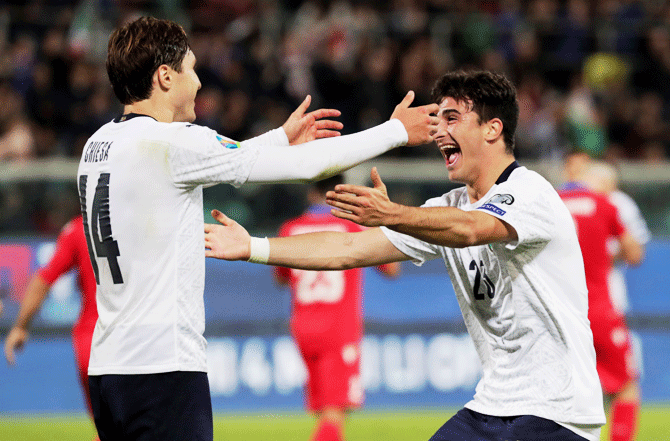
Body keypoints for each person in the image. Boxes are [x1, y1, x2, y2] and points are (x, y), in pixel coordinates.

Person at [77, 16, 438, 441]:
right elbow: (308, 167)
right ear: (165, 76)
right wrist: (395, 131)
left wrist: (280, 138)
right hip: (162, 367)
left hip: (108, 369)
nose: (197, 81)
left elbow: (212, 161)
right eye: (191, 69)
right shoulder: (172, 143)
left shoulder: (98, 145)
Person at [205, 70, 606, 441]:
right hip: (494, 404)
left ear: (492, 129)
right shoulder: (448, 206)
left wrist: (391, 214)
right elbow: (347, 248)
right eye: (439, 120)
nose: (439, 131)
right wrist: (254, 247)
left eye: (452, 119)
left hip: (557, 410)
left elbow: (469, 229)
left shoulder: (530, 192)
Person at [274, 175, 400, 441]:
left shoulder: (290, 228)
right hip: (338, 328)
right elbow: (391, 269)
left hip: (303, 327)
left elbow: (280, 278)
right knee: (335, 411)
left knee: (324, 409)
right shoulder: (352, 228)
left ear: (311, 193)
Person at [559, 159, 645, 441]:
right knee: (625, 386)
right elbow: (634, 254)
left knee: (565, 392)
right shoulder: (606, 205)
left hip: (559, 310)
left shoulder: (553, 200)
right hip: (599, 308)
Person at [4, 215, 98, 438]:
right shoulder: (143, 221)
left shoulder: (78, 229)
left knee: (108, 428)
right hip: (135, 338)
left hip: (91, 340)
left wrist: (20, 326)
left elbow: (44, 278)